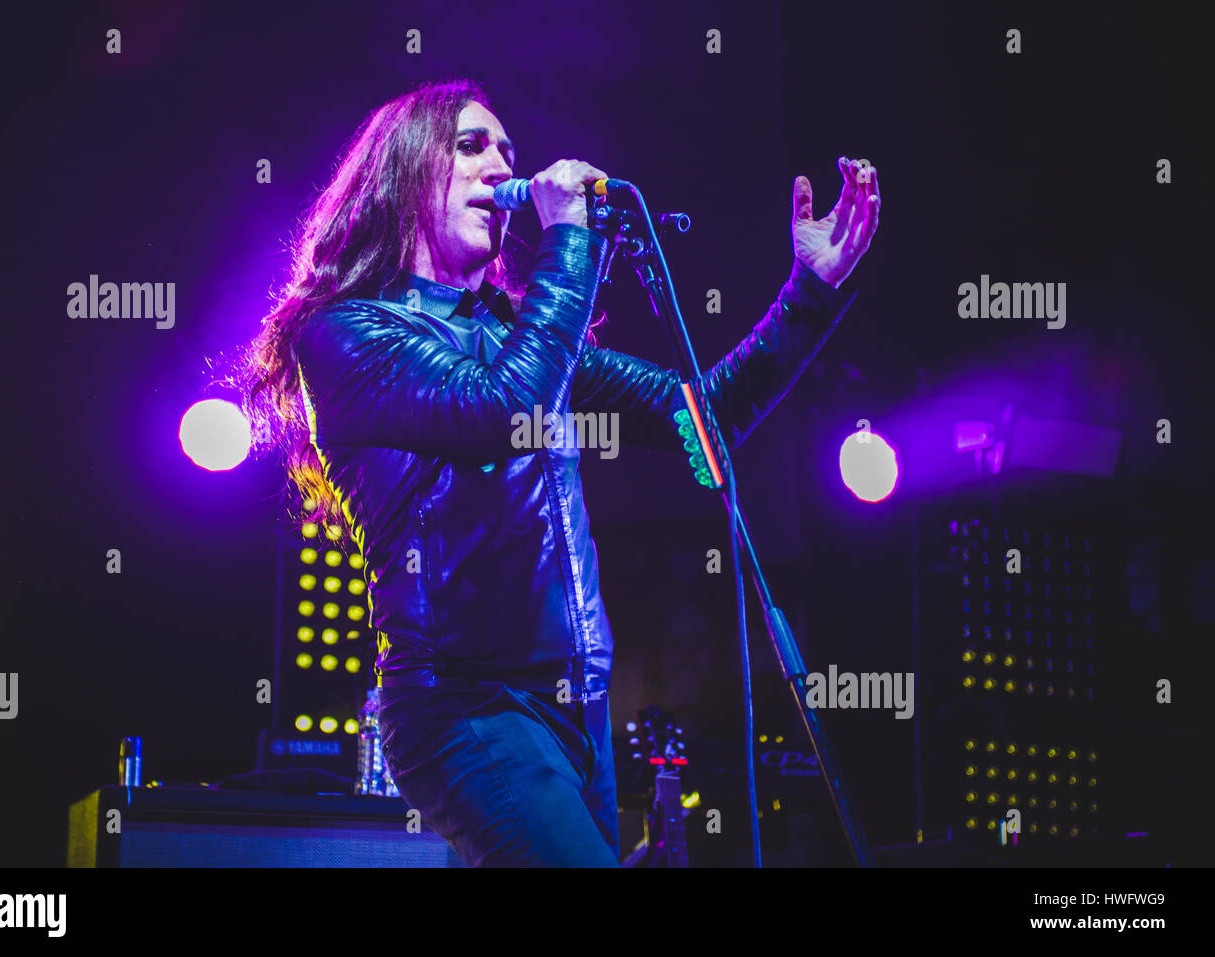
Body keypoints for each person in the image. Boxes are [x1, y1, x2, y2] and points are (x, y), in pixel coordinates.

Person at [241, 77, 879, 866]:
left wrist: (809, 293)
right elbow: (503, 409)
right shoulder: (346, 334)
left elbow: (703, 420)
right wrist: (569, 245)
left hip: (578, 712)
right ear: (404, 174)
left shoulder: (524, 335)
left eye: (507, 150)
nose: (499, 164)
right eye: (471, 146)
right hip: (465, 707)